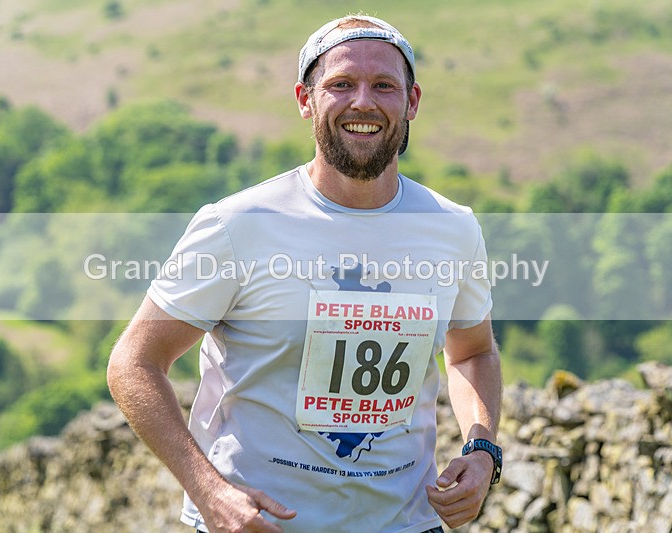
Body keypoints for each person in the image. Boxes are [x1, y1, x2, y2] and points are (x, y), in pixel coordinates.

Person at [108, 14, 502, 533]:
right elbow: (134, 363)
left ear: (411, 102)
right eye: (341, 84)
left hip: (408, 525)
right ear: (305, 99)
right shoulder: (238, 225)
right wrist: (208, 492)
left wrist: (482, 448)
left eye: (383, 85)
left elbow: (472, 352)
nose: (363, 101)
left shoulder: (453, 229)